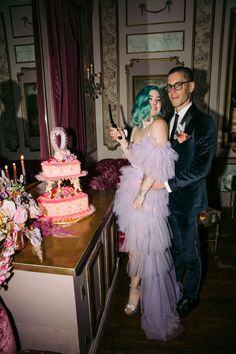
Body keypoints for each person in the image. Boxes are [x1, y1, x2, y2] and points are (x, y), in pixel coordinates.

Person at [110, 85, 182, 341]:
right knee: (134, 247)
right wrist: (122, 142)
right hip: (133, 189)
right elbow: (136, 161)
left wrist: (142, 193)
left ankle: (137, 291)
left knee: (147, 249)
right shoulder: (139, 127)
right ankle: (135, 288)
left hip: (150, 192)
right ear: (141, 101)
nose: (155, 102)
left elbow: (159, 167)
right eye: (150, 98)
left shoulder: (160, 124)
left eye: (158, 99)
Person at [153, 66, 216, 319]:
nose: (172, 91)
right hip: (164, 200)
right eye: (169, 86)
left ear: (191, 86)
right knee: (174, 248)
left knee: (191, 251)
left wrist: (167, 185)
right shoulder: (165, 120)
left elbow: (202, 168)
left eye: (178, 85)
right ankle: (174, 286)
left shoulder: (204, 122)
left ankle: (191, 297)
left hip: (189, 201)